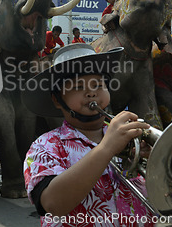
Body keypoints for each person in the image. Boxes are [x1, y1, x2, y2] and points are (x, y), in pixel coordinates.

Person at [22, 44, 153, 226]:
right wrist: (107, 148)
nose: (91, 92)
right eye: (78, 86)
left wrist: (155, 158)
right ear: (57, 99)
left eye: (99, 85)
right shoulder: (45, 146)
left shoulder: (130, 136)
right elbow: (52, 204)